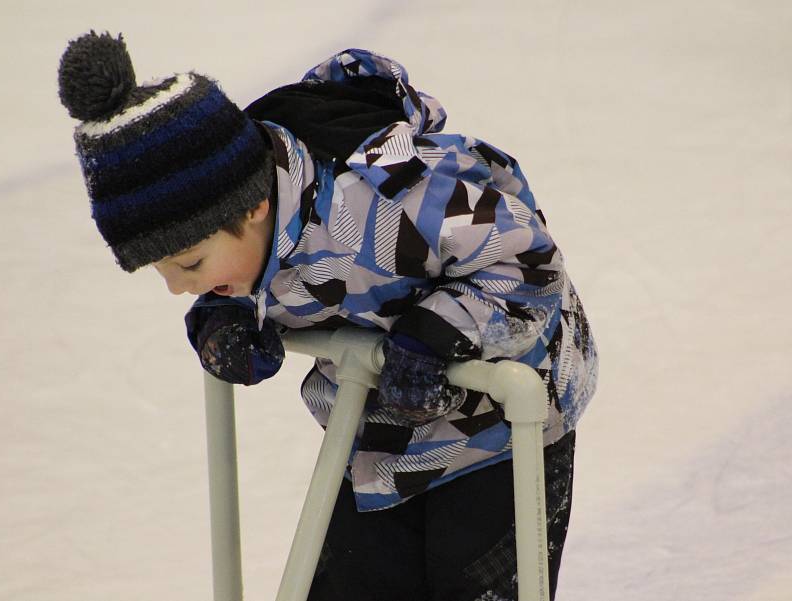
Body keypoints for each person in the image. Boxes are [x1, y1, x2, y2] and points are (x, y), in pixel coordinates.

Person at [58, 31, 598, 601]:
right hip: (378, 444)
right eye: (162, 271)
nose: (177, 288)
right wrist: (220, 324)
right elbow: (237, 288)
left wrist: (434, 337)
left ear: (253, 205)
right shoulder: (250, 239)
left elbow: (529, 262)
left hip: (501, 436)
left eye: (189, 263)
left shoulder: (386, 201)